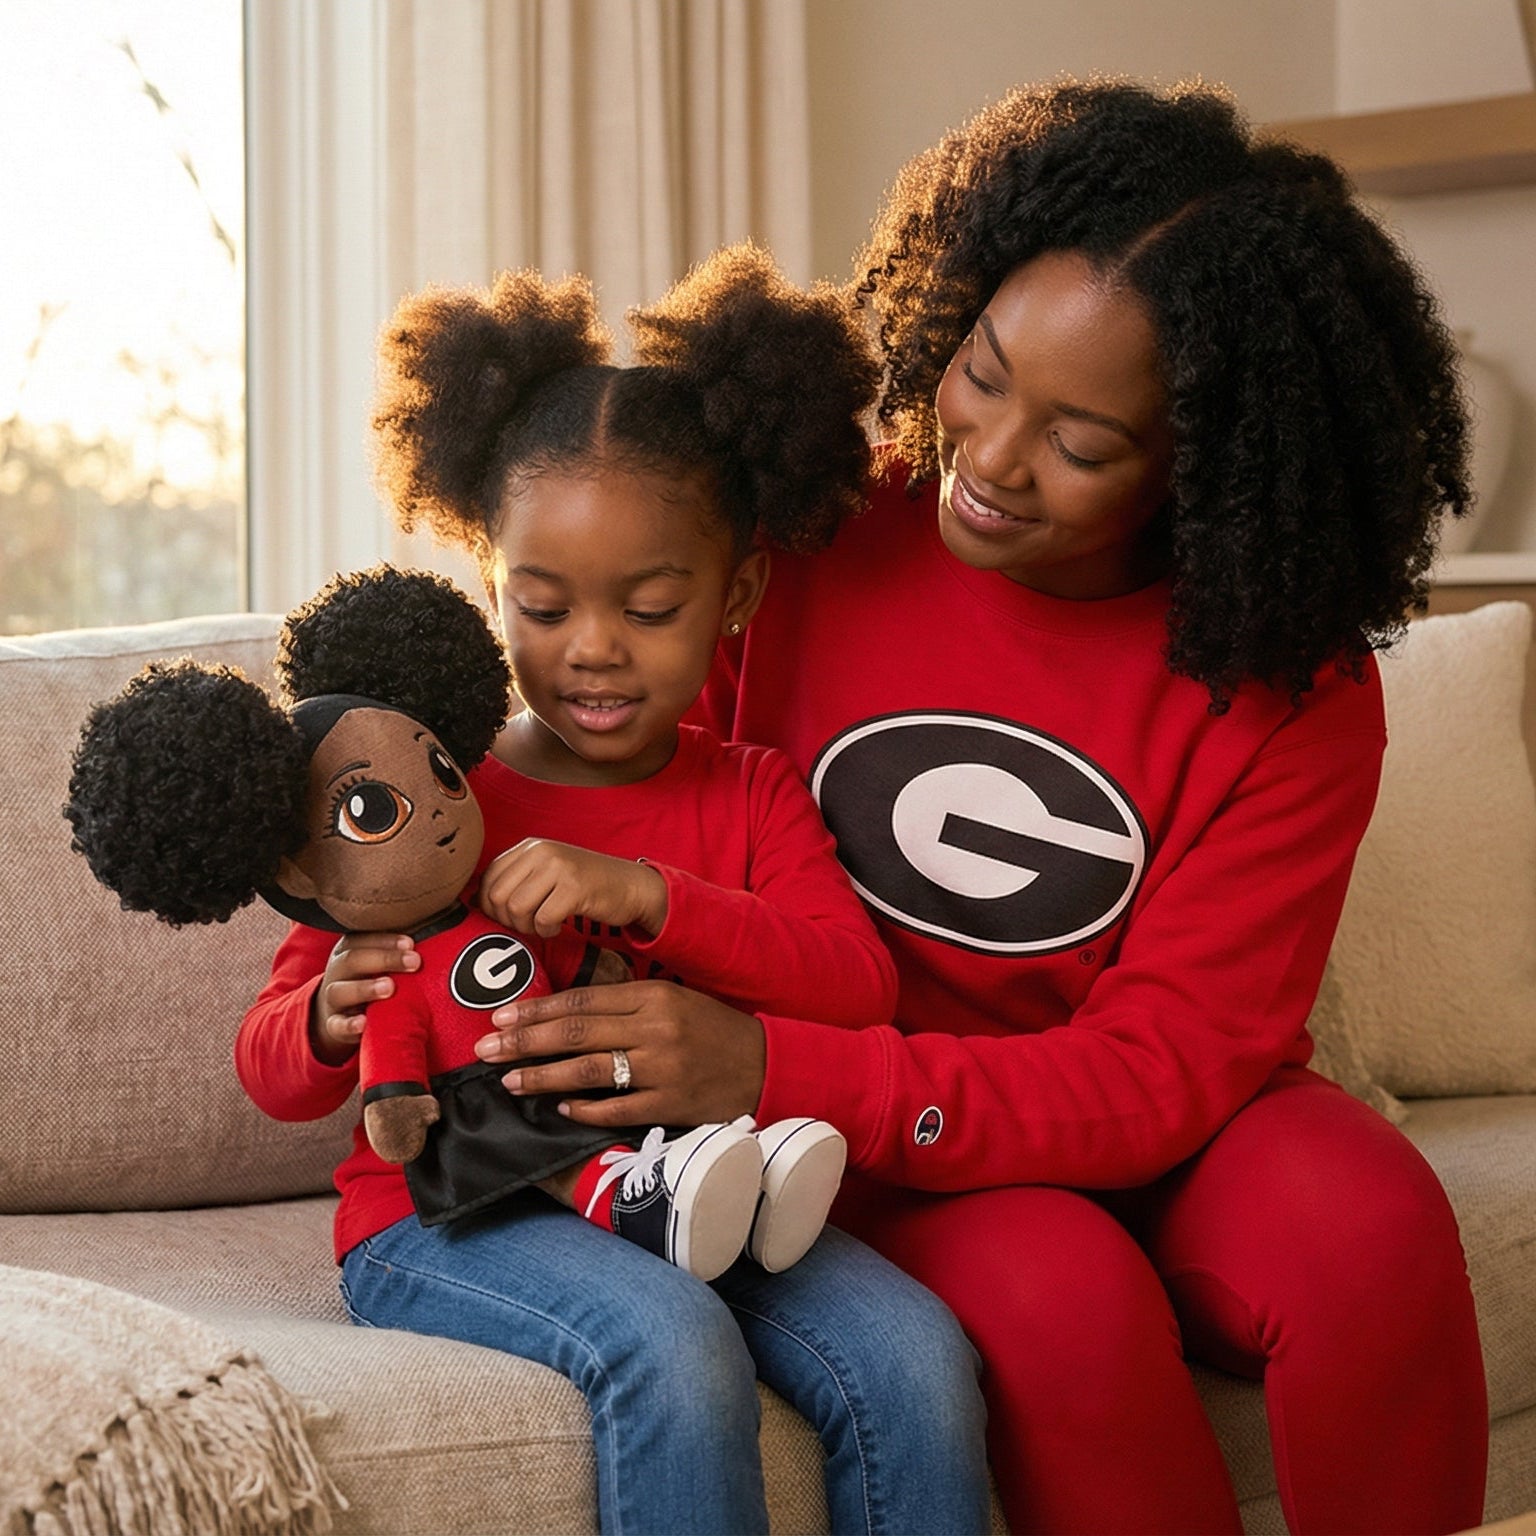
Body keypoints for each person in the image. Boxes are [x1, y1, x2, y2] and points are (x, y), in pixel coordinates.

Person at [470, 81, 1489, 1535]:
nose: (993, 458)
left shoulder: (1292, 680)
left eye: (1083, 444)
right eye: (985, 369)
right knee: (1061, 1300)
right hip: (861, 1115)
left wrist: (787, 1066)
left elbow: (1169, 1065)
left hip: (1137, 1113)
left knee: (1372, 1229)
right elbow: (631, 803)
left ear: (1204, 465)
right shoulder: (809, 528)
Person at [235, 245, 992, 1536]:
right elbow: (273, 1064)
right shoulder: (434, 787)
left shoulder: (750, 791)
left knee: (916, 1356)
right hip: (451, 1212)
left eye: (649, 606)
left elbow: (858, 983)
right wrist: (328, 1019)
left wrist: (652, 894)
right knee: (676, 1345)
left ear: (736, 592)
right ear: (491, 579)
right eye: (542, 604)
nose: (591, 647)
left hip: (692, 1189)